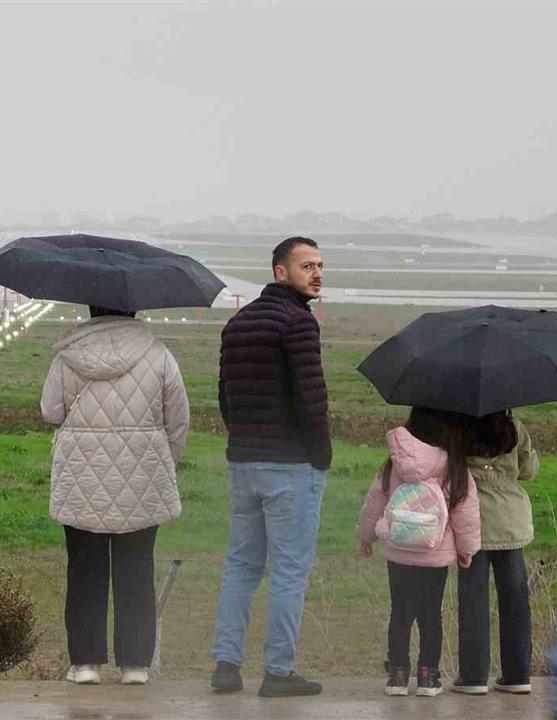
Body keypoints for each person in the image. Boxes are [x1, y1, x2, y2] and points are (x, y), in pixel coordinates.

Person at [41, 305, 189, 686]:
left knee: (85, 569)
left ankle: (86, 663)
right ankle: (135, 665)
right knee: (137, 567)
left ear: (90, 308)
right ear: (134, 307)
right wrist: (162, 460)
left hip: (81, 475)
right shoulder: (159, 354)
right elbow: (178, 420)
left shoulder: (67, 357)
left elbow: (50, 412)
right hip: (143, 474)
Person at [210, 236, 331, 698]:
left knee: (240, 566)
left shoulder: (237, 322)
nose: (316, 273)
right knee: (288, 571)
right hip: (290, 466)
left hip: (243, 462)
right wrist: (320, 456)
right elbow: (311, 398)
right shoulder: (299, 322)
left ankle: (226, 666)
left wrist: (242, 439)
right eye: (306, 266)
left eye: (320, 265)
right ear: (281, 272)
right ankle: (278, 672)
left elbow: (225, 395)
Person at [355, 407, 481, 697]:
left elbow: (376, 500)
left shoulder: (394, 464)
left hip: (399, 551)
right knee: (430, 614)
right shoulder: (454, 465)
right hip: (435, 554)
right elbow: (465, 512)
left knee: (400, 613)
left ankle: (397, 676)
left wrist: (366, 536)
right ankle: (428, 677)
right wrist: (467, 549)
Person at [451, 410, 539, 696]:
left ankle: (474, 676)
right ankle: (517, 675)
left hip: (472, 520)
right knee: (515, 600)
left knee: (473, 599)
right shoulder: (514, 427)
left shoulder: (459, 428)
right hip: (510, 521)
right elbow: (528, 471)